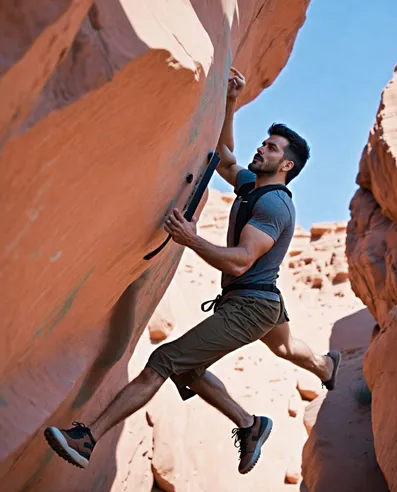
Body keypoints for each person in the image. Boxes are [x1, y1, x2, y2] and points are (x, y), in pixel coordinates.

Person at [44, 67, 341, 475]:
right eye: (264, 143)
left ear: (286, 164)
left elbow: (239, 260)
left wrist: (190, 238)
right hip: (257, 300)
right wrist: (231, 103)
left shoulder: (274, 205)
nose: (262, 149)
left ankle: (86, 439)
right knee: (259, 354)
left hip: (250, 305)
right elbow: (226, 158)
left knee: (165, 361)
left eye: (271, 148)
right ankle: (285, 399)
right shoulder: (252, 184)